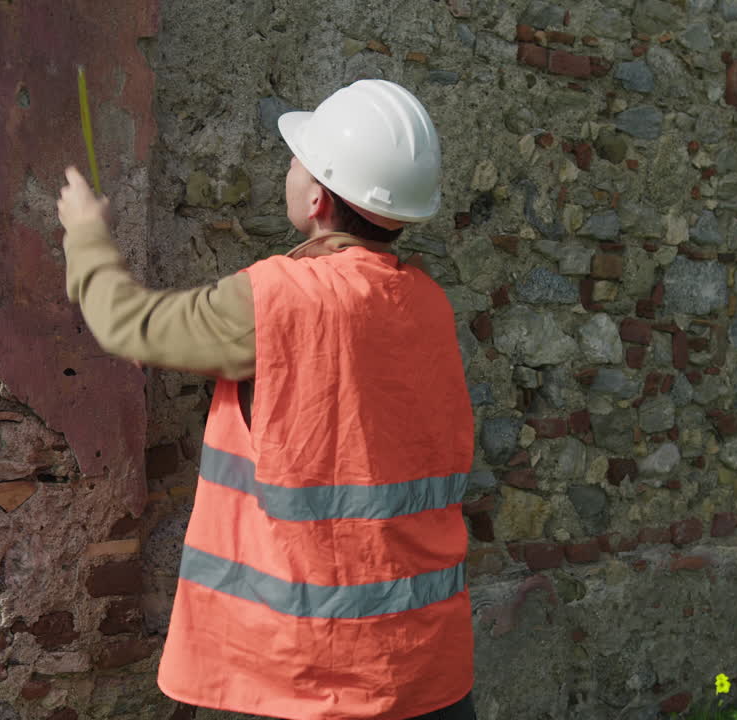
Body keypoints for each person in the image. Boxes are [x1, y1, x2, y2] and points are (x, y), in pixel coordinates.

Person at [57, 79, 476, 720]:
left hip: (291, 677)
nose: (288, 168)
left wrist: (85, 235)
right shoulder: (428, 305)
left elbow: (128, 326)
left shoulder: (279, 299)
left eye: (296, 159)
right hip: (422, 670)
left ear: (316, 198)